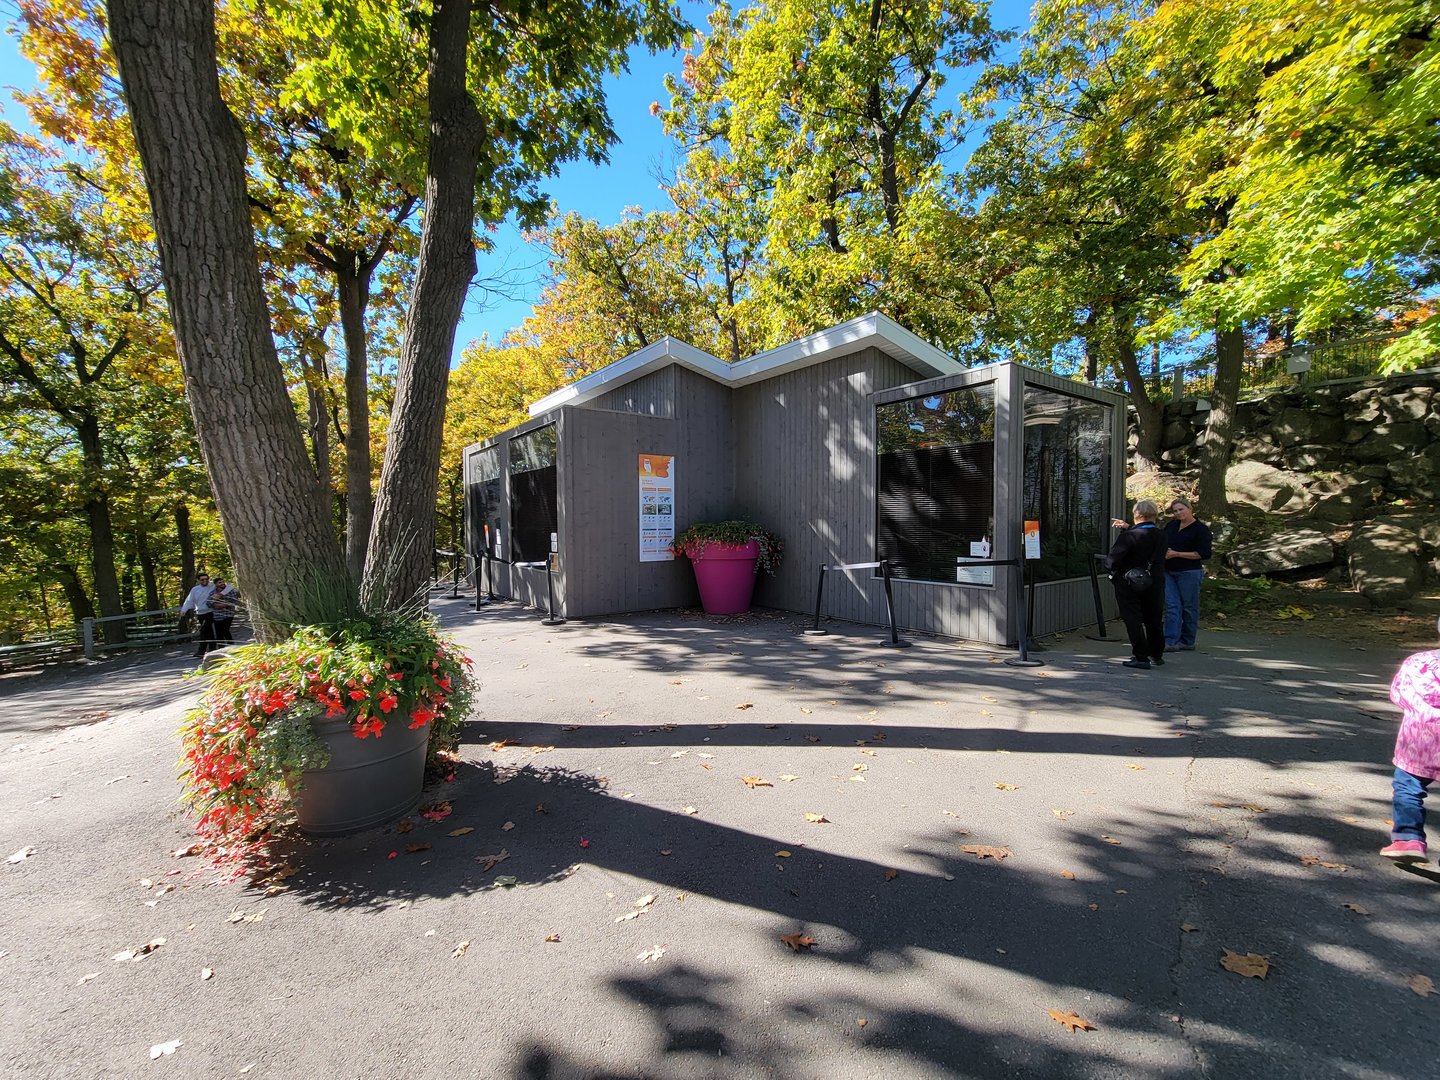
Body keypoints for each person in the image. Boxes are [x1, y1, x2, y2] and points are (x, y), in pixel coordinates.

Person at [1380, 619, 1440, 864]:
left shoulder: (1419, 662)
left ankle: (1408, 837)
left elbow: (1398, 694)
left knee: (1408, 787)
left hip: (1419, 743)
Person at [1105, 499, 1167, 670]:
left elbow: (1112, 560)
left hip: (1129, 581)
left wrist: (1111, 570)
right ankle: (1156, 654)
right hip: (1154, 580)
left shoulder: (1129, 536)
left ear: (1136, 515)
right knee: (1153, 617)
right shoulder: (1162, 535)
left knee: (1132, 617)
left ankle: (1140, 655)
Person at [1162, 497, 1212, 651]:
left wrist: (1177, 554)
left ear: (1190, 509)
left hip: (1189, 572)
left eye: (1181, 509)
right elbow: (1160, 539)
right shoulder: (1172, 525)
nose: (1178, 513)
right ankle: (1170, 641)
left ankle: (1187, 640)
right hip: (1169, 571)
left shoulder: (1200, 530)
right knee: (1172, 605)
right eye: (1175, 511)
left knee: (1189, 607)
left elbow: (1203, 554)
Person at [179, 572, 215, 658]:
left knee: (204, 631)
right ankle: (212, 649)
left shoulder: (212, 587)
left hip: (210, 612)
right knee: (208, 632)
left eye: (206, 579)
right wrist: (184, 609)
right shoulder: (195, 589)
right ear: (198, 580)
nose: (205, 581)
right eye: (202, 580)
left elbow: (226, 587)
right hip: (200, 613)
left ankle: (201, 651)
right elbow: (189, 600)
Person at [209, 577, 240, 647]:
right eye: (220, 582)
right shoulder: (213, 592)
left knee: (225, 630)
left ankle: (231, 646)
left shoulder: (230, 591)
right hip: (217, 615)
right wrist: (217, 604)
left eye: (223, 582)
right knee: (219, 633)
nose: (222, 583)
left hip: (228, 613)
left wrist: (222, 603)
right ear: (216, 584)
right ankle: (221, 647)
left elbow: (234, 600)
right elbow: (209, 603)